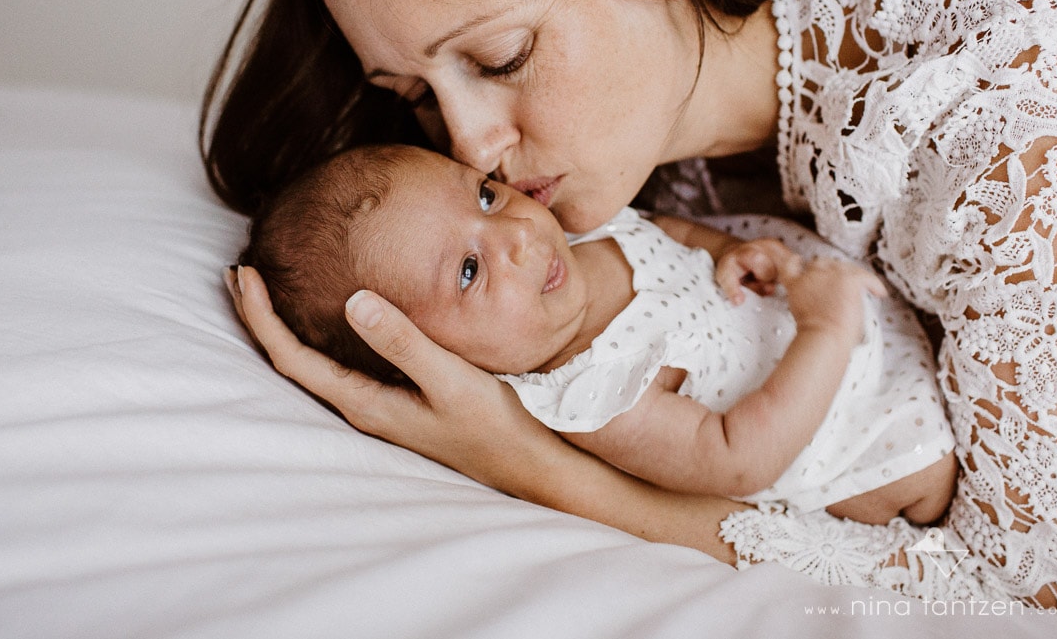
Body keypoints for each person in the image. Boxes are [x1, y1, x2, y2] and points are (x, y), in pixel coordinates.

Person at [203, 0, 1057, 610]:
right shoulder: (645, 122)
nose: (469, 144)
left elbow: (1026, 591)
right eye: (413, 95)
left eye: (502, 57)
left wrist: (530, 462)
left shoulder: (1009, 114)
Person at [240, 143, 957, 525]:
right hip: (887, 443)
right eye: (467, 270)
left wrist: (727, 252)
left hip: (877, 319)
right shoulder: (592, 392)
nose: (516, 235)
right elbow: (735, 459)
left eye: (485, 195)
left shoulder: (575, 235)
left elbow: (665, 233)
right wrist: (827, 329)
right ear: (430, 357)